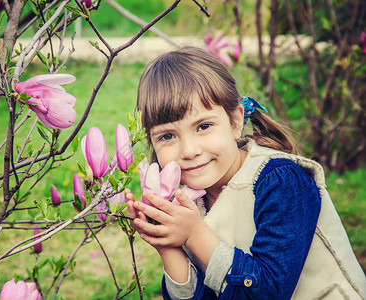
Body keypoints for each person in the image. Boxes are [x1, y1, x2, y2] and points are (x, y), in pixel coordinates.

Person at [124, 46, 366, 299]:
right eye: (167, 136)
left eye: (204, 126)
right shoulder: (188, 202)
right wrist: (168, 243)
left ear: (236, 121)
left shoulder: (280, 181)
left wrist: (194, 234)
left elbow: (269, 291)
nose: (189, 150)